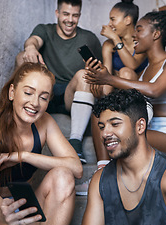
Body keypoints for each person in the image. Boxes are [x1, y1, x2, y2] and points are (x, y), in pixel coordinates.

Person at [0, 62, 83, 225]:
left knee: (63, 176)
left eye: (44, 97)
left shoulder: (45, 123)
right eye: (28, 93)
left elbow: (76, 168)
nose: (35, 103)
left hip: (25, 214)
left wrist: (24, 156)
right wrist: (3, 212)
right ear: (12, 92)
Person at [79, 89, 166, 225]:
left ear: (140, 126)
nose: (105, 133)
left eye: (115, 124)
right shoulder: (100, 180)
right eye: (101, 127)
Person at [84, 9, 166, 164]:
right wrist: (100, 83)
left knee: (125, 133)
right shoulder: (144, 70)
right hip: (145, 130)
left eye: (139, 30)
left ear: (156, 34)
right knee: (100, 115)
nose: (134, 35)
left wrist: (110, 79)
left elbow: (155, 90)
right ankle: (102, 170)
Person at [76, 0, 149, 196]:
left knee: (125, 72)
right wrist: (98, 78)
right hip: (114, 91)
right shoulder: (108, 44)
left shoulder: (139, 40)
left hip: (135, 96)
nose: (109, 23)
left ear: (127, 20)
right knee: (99, 95)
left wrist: (115, 39)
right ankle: (102, 166)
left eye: (112, 19)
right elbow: (107, 75)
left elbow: (132, 65)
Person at [16, 0, 102, 164]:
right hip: (45, 91)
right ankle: (12, 115)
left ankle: (75, 142)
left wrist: (95, 72)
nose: (70, 20)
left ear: (79, 16)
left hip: (71, 97)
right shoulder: (45, 30)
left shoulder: (89, 38)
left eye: (75, 15)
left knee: (83, 75)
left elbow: (102, 73)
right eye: (66, 14)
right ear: (57, 13)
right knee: (21, 57)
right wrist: (31, 48)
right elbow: (33, 41)